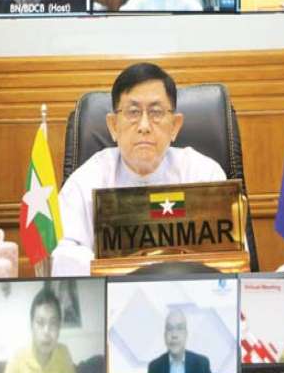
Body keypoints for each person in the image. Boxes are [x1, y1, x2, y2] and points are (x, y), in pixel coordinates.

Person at [51, 63, 226, 276]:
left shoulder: (204, 175)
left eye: (156, 112)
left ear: (175, 125)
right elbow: (63, 256)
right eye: (133, 112)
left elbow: (229, 257)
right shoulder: (87, 180)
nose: (144, 126)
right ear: (113, 125)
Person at [0, 288, 77, 373]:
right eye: (40, 322)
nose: (46, 331)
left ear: (59, 328)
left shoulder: (63, 352)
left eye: (53, 323)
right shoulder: (17, 358)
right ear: (31, 326)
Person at [146, 309, 212, 373]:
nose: (174, 335)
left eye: (179, 328)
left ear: (186, 334)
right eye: (170, 329)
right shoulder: (154, 368)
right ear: (164, 335)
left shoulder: (201, 365)